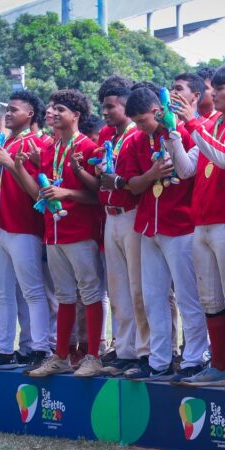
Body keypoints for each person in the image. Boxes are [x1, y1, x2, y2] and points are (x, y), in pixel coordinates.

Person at [167, 64, 225, 389]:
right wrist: (173, 134)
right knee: (210, 299)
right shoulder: (210, 124)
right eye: (214, 87)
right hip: (203, 221)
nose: (214, 93)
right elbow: (187, 169)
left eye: (219, 88)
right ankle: (218, 366)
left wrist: (192, 123)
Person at [115, 87, 209, 381]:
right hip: (148, 227)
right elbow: (131, 185)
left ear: (158, 112)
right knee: (152, 297)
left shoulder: (185, 132)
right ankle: (159, 360)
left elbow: (189, 174)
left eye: (143, 121)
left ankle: (195, 358)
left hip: (181, 226)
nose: (140, 127)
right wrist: (151, 175)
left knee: (187, 296)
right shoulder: (136, 141)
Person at [17, 90, 106, 378]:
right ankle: (62, 356)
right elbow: (37, 194)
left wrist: (66, 192)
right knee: (65, 295)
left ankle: (93, 355)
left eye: (60, 110)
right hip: (53, 233)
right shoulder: (48, 150)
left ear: (76, 116)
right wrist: (18, 167)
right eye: (51, 109)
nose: (52, 114)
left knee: (90, 292)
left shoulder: (89, 148)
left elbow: (98, 197)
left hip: (80, 231)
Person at [0, 90, 52, 370]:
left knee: (32, 290)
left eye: (14, 109)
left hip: (22, 225)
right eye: (7, 109)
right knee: (2, 292)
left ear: (30, 114)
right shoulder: (3, 144)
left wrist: (9, 162)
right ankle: (4, 349)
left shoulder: (37, 144)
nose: (8, 113)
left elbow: (37, 190)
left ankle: (39, 348)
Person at [93, 83, 151, 374]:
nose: (105, 112)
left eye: (111, 106)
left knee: (138, 286)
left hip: (132, 214)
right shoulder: (106, 135)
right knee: (117, 289)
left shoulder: (138, 135)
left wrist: (117, 180)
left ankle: (145, 351)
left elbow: (142, 178)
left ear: (127, 106)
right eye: (103, 106)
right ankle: (125, 349)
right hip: (110, 215)